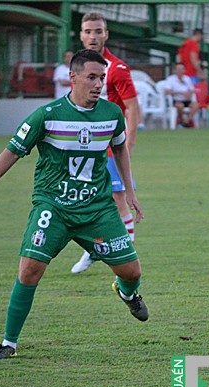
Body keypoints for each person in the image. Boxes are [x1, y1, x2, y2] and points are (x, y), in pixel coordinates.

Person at [0, 49, 148, 361]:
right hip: (54, 207)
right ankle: (8, 343)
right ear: (71, 78)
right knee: (30, 270)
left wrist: (129, 192)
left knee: (131, 272)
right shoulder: (47, 115)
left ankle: (126, 293)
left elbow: (120, 150)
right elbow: (12, 150)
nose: (98, 84)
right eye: (91, 77)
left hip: (97, 209)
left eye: (101, 78)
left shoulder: (111, 115)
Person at [72, 12, 142, 274]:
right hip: (83, 145)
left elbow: (133, 108)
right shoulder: (79, 66)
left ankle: (124, 253)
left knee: (117, 197)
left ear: (106, 34)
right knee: (86, 197)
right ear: (80, 34)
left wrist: (129, 145)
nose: (93, 36)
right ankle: (96, 247)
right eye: (88, 31)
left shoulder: (117, 68)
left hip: (110, 145)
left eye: (98, 31)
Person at [162, 63, 200, 128]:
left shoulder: (187, 78)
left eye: (182, 69)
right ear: (175, 71)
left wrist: (189, 94)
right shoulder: (170, 79)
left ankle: (186, 121)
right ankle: (181, 120)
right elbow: (166, 91)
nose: (180, 71)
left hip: (187, 100)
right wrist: (180, 92)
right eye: (178, 69)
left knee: (196, 105)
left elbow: (192, 89)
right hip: (176, 100)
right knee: (180, 106)